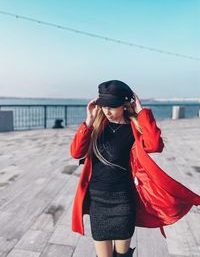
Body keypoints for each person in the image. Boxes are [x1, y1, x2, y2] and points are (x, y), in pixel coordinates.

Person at [70, 80, 200, 257]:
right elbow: (76, 153)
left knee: (123, 255)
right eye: (104, 106)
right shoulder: (96, 127)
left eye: (112, 106)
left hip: (123, 201)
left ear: (124, 105)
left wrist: (141, 112)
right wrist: (88, 121)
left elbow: (155, 145)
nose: (107, 111)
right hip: (98, 201)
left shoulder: (134, 129)